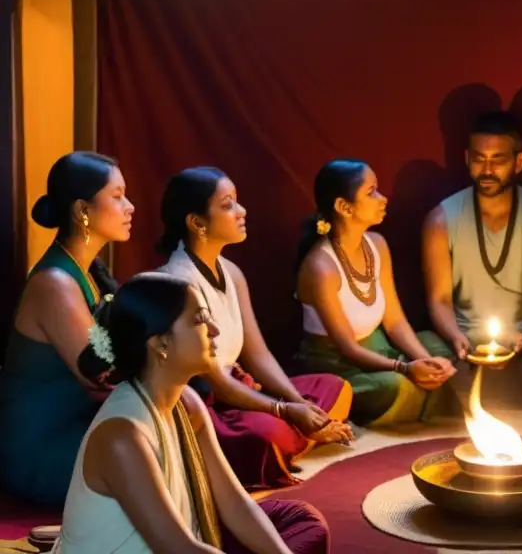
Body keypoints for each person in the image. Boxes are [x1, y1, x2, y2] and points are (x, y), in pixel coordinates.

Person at [56, 271, 331, 553]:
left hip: (189, 540)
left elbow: (235, 505)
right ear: (161, 343)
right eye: (199, 319)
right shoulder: (122, 436)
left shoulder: (186, 401)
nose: (214, 329)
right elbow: (178, 547)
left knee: (301, 522)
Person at [157, 168, 353, 491]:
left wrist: (297, 403)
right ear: (197, 222)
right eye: (228, 204)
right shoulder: (179, 282)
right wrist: (284, 410)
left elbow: (258, 354)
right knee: (268, 437)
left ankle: (302, 433)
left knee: (336, 388)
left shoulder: (231, 272)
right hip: (206, 405)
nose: (241, 211)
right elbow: (215, 381)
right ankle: (297, 438)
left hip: (242, 389)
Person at [0, 152, 132, 507]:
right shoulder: (56, 283)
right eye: (117, 196)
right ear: (82, 211)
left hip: (79, 426)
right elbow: (102, 378)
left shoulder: (87, 271)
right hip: (42, 446)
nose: (130, 206)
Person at [294, 159, 457, 426]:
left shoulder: (377, 245)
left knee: (438, 349)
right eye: (371, 193)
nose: (382, 199)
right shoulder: (321, 267)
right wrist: (406, 368)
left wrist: (426, 361)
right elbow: (347, 347)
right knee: (397, 386)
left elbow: (394, 321)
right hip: (337, 362)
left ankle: (420, 391)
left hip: (379, 348)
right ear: (343, 207)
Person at [422, 111, 522, 395]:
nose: (487, 169)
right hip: (462, 337)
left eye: (498, 160)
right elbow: (439, 299)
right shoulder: (441, 220)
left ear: (519, 162)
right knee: (428, 355)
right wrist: (455, 337)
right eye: (479, 158)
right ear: (467, 159)